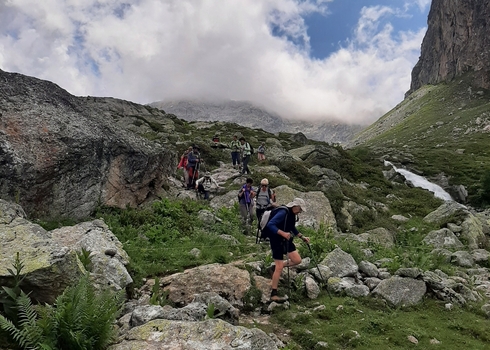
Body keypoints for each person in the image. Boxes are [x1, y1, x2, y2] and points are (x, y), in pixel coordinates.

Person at [264, 198, 310, 302]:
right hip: (276, 240)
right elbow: (270, 225)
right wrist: (283, 233)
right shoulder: (282, 213)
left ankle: (273, 268)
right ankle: (273, 294)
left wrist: (302, 237)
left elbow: (292, 227)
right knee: (280, 267)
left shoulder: (292, 215)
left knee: (297, 260)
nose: (300, 211)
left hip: (287, 239)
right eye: (300, 209)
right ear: (295, 206)